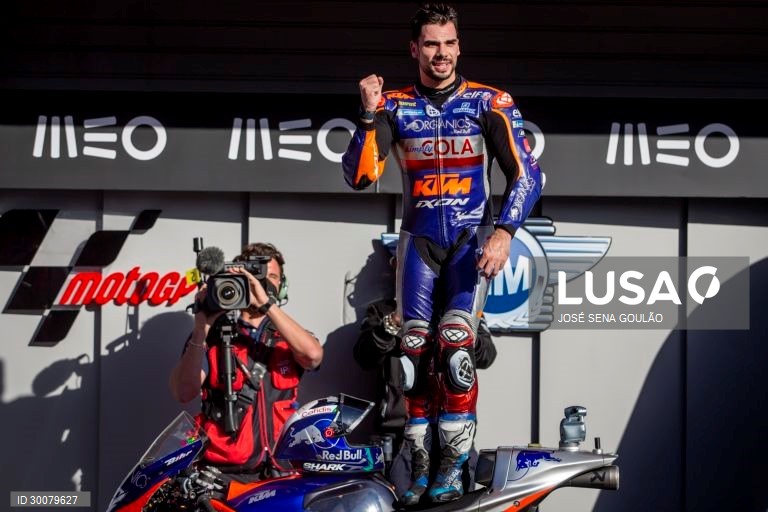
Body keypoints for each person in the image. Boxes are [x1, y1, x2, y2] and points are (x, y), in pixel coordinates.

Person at [342, 2, 543, 504]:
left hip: (470, 241)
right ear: (414, 49)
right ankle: (420, 464)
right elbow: (360, 176)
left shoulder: (488, 102)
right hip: (418, 240)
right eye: (431, 44)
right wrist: (367, 114)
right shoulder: (394, 106)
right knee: (410, 353)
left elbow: (529, 174)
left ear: (459, 46)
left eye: (449, 43)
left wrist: (505, 233)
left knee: (456, 348)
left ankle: (452, 468)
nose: (442, 54)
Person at [169, 242, 323, 479]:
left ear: (282, 286)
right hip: (225, 474)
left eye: (272, 276)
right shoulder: (213, 336)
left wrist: (267, 305)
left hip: (282, 469)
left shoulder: (287, 335)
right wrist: (201, 329)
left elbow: (312, 356)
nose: (264, 283)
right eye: (257, 277)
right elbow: (183, 392)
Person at [353, 254, 497, 497]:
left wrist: (458, 336)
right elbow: (364, 356)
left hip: (452, 435)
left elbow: (487, 355)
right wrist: (395, 321)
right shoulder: (384, 310)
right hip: (403, 439)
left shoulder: (458, 310)